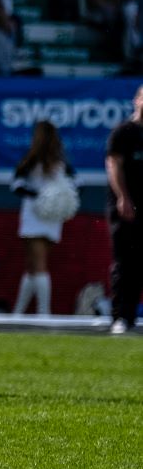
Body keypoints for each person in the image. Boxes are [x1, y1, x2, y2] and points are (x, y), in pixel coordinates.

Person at [11, 120, 71, 315]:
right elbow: (17, 185)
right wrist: (43, 196)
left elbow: (17, 186)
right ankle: (18, 312)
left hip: (43, 216)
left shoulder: (53, 162)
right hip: (40, 215)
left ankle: (44, 312)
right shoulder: (36, 161)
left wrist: (50, 198)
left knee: (38, 263)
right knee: (31, 265)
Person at [105, 85, 143, 333]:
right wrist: (123, 197)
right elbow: (114, 165)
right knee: (126, 262)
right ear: (137, 100)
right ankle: (122, 316)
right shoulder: (124, 133)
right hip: (128, 208)